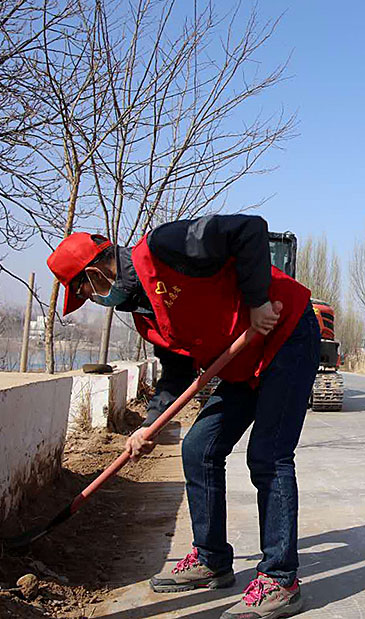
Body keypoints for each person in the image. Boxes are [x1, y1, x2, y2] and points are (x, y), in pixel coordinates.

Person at [47, 215, 318, 619]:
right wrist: (147, 425)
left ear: (94, 273)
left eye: (87, 293)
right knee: (198, 447)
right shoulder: (145, 317)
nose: (95, 302)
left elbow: (250, 230)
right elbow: (176, 376)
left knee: (267, 455)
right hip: (243, 361)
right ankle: (212, 559)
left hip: (285, 332)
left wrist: (259, 300)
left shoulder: (166, 247)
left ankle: (281, 579)